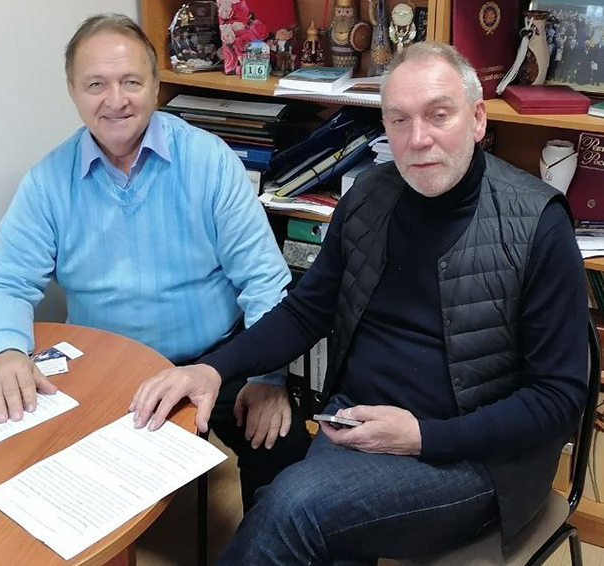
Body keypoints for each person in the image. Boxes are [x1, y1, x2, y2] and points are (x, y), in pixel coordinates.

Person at [130, 41, 588, 564]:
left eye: (439, 115)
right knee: (315, 530)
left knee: (293, 508)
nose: (418, 139)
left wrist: (422, 437)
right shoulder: (369, 195)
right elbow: (305, 311)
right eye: (399, 120)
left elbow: (558, 397)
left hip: (475, 460)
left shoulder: (538, 224)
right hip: (356, 424)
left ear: (478, 119)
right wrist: (213, 369)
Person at [0, 13, 310, 513]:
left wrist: (267, 378)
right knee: (33, 461)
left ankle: (260, 543)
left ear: (154, 85)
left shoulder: (209, 161)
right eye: (96, 84)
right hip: (105, 364)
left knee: (284, 452)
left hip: (214, 358)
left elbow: (264, 281)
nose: (116, 100)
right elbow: (3, 285)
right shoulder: (47, 182)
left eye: (131, 82)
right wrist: (1, 353)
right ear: (72, 91)